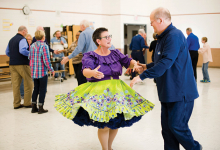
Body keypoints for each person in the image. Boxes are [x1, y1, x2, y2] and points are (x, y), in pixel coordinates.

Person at [54, 27, 154, 150]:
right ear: (98, 41)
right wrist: (92, 73)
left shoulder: (115, 53)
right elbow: (85, 71)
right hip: (100, 92)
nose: (109, 39)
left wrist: (135, 64)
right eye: (105, 37)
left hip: (117, 91)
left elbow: (128, 61)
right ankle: (105, 149)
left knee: (115, 122)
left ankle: (109, 147)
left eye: (109, 36)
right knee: (104, 125)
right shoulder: (90, 55)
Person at [131, 7, 202, 150]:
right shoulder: (162, 38)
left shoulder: (174, 35)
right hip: (168, 92)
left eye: (151, 22)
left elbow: (165, 63)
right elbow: (160, 61)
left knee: (177, 127)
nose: (151, 25)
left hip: (180, 92)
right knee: (167, 131)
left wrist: (141, 76)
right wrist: (145, 67)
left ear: (160, 20)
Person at [5, 26, 33, 109]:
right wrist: (30, 54)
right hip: (22, 64)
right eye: (26, 31)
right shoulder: (22, 39)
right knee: (28, 83)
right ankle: (27, 103)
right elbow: (22, 50)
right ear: (24, 31)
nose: (26, 33)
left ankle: (16, 104)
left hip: (12, 64)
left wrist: (14, 57)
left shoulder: (11, 40)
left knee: (15, 84)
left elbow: (7, 52)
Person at [29, 30, 55, 114]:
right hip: (42, 72)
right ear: (43, 37)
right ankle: (40, 107)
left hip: (34, 72)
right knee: (43, 89)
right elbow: (46, 60)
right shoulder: (44, 46)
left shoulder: (32, 45)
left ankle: (33, 107)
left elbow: (29, 57)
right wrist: (51, 69)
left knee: (36, 88)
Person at [20, 34, 33, 99]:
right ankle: (22, 94)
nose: (28, 40)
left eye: (29, 39)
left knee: (30, 80)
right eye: (27, 39)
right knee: (23, 80)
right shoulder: (24, 47)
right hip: (25, 65)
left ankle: (30, 93)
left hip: (31, 65)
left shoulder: (31, 46)